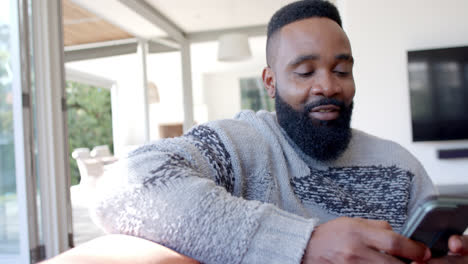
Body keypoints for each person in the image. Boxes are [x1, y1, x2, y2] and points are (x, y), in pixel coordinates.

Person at [89, 1, 468, 263]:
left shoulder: (401, 166)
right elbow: (122, 186)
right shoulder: (243, 144)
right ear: (270, 83)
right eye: (304, 72)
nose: (328, 86)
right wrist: (301, 244)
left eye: (341, 70)